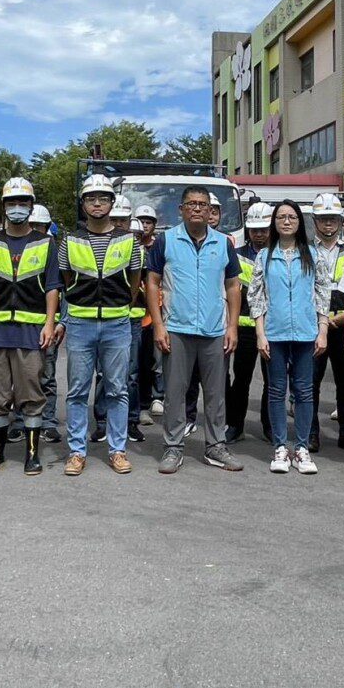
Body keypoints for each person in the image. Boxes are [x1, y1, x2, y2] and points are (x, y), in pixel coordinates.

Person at [146, 185, 243, 474]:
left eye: (203, 204)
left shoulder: (222, 243)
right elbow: (152, 282)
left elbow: (232, 285)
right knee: (174, 393)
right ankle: (173, 447)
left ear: (211, 210)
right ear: (181, 209)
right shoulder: (166, 241)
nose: (198, 208)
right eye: (191, 204)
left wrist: (232, 326)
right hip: (176, 328)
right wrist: (158, 325)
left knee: (215, 394)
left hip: (214, 330)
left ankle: (215, 446)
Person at [0, 178, 61, 476]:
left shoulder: (46, 242)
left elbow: (52, 286)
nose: (17, 208)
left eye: (23, 203)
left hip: (30, 331)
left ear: (31, 207)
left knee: (31, 393)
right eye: (12, 203)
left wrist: (50, 322)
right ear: (4, 207)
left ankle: (32, 455)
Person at [60, 174, 142, 475]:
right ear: (83, 204)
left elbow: (135, 281)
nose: (97, 203)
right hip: (80, 322)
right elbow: (66, 279)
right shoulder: (69, 240)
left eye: (103, 198)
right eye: (91, 198)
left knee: (117, 389)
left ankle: (117, 450)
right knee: (78, 390)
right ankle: (77, 451)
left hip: (117, 323)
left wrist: (120, 304)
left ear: (111, 203)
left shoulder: (129, 241)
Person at [249, 200, 329, 474]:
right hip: (275, 333)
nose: (286, 221)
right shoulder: (264, 256)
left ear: (299, 222)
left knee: (304, 392)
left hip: (306, 333)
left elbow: (322, 294)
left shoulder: (314, 255)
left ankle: (303, 447)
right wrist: (260, 333)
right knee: (276, 391)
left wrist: (323, 330)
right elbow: (256, 296)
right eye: (281, 217)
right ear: (274, 222)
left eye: (291, 217)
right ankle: (280, 447)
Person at [91, 195, 143, 443]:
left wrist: (128, 304)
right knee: (103, 375)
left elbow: (137, 282)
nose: (119, 223)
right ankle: (102, 421)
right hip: (105, 317)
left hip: (129, 318)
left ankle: (131, 422)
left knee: (129, 376)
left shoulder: (135, 245)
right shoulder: (100, 243)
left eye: (123, 219)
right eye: (116, 219)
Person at [310, 193, 344, 455]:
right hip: (314, 325)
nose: (328, 224)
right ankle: (312, 434)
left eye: (333, 219)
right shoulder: (304, 250)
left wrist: (336, 320)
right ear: (315, 220)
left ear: (340, 222)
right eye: (323, 219)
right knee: (311, 383)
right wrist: (320, 321)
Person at [225, 202, 272, 443]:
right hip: (244, 327)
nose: (260, 233)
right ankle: (235, 425)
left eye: (264, 229)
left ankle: (270, 426)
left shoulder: (281, 252)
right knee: (241, 380)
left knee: (272, 381)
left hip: (272, 329)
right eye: (255, 229)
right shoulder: (237, 254)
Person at [29, 203, 63, 442]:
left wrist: (62, 322)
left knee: (47, 376)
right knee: (22, 378)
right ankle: (22, 421)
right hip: (22, 325)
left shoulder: (55, 252)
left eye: (39, 226)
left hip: (49, 324)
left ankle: (48, 422)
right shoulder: (16, 250)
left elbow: (66, 289)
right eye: (32, 225)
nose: (35, 229)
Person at [134, 204, 164, 422]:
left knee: (159, 356)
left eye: (149, 222)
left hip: (159, 310)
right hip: (137, 312)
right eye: (142, 221)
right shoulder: (130, 246)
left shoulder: (159, 247)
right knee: (141, 359)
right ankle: (143, 402)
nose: (145, 226)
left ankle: (158, 397)